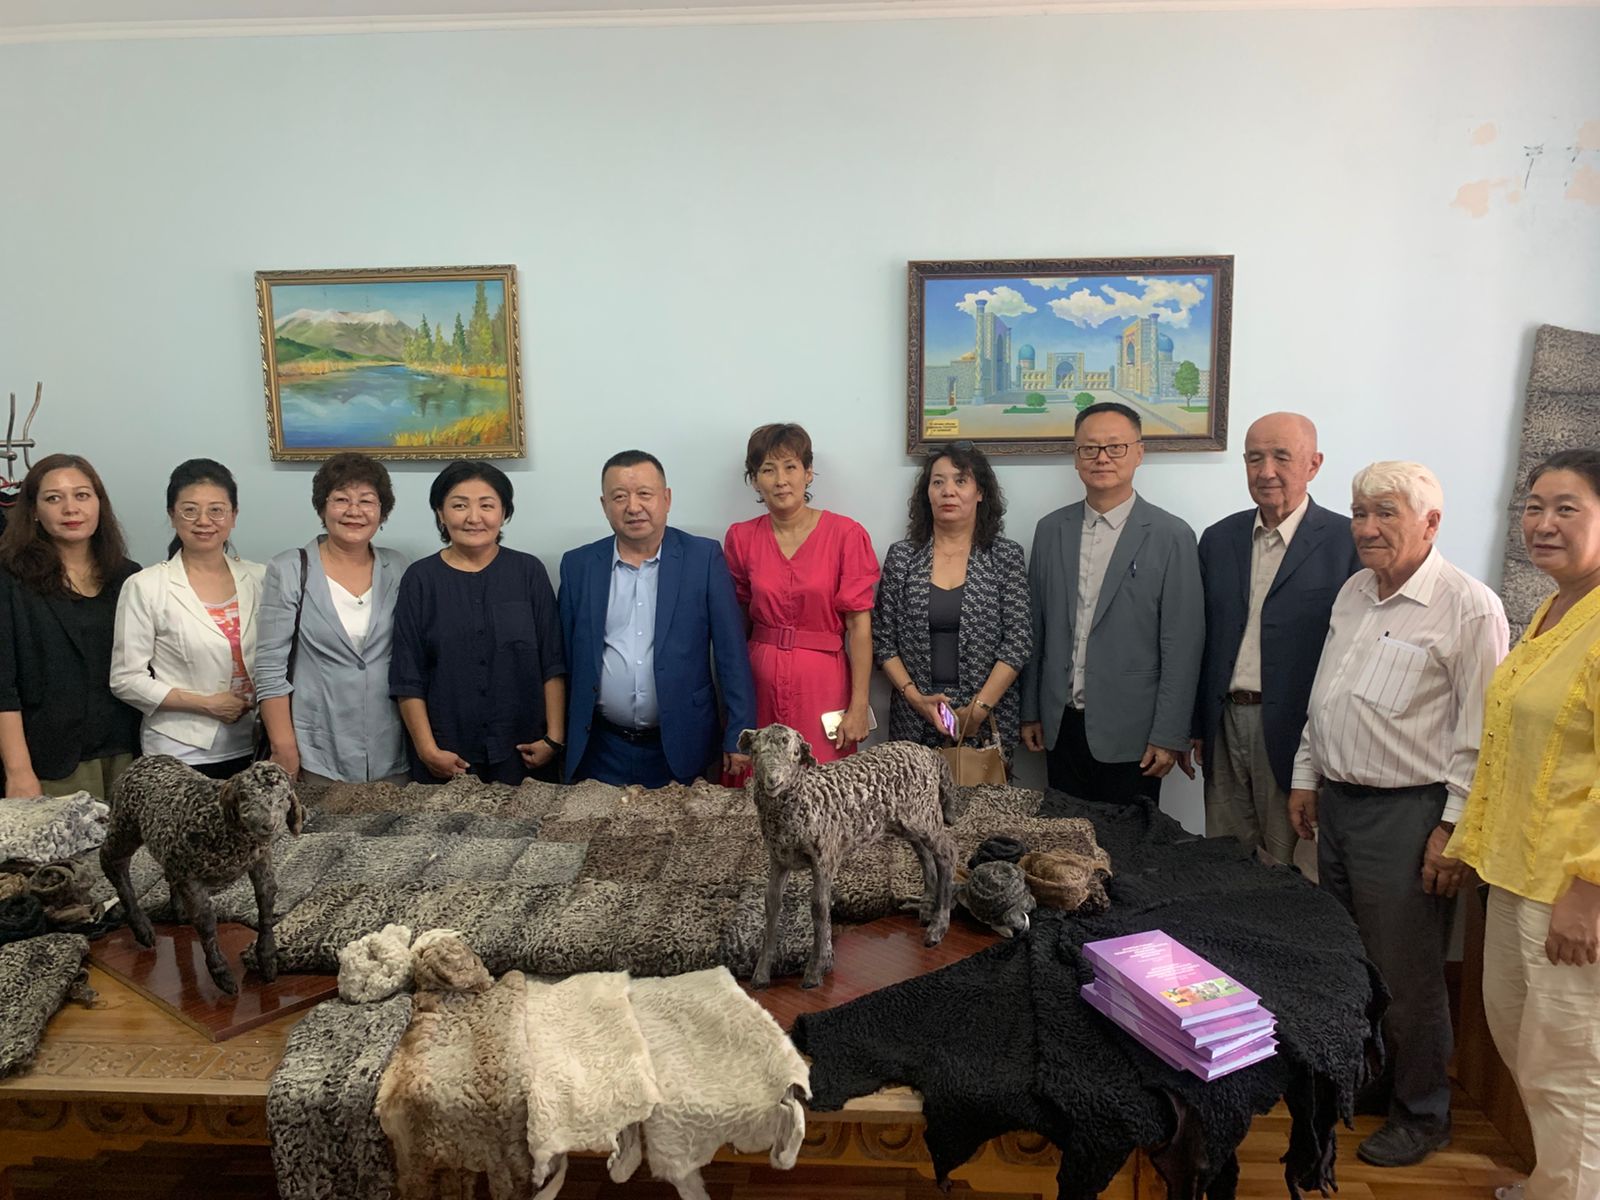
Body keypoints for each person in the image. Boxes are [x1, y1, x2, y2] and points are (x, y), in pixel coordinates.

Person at [1288, 460, 1508, 1169]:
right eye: (1360, 512)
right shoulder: (1354, 591)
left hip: (1411, 816)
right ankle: (1378, 1084)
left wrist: (1452, 830)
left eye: (1385, 512)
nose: (1367, 527)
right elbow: (1327, 696)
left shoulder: (1468, 607)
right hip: (1340, 806)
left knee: (1409, 977)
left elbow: (1483, 735)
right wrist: (1306, 777)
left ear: (1430, 522)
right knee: (1356, 965)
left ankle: (1424, 1113)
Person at [1443, 449, 1600, 1200]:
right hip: (1514, 872)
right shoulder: (1553, 610)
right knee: (1524, 1046)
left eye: (1567, 509)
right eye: (1534, 507)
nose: (1543, 523)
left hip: (1571, 888)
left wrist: (1590, 891)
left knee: (1572, 1066)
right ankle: (1553, 1182)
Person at [1191, 413, 1361, 865]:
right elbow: (1201, 638)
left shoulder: (1347, 543)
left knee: (1289, 864)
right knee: (1224, 859)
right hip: (1224, 724)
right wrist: (1197, 725)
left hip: (1295, 731)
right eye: (1255, 458)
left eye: (1281, 457)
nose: (1266, 471)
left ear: (1314, 464)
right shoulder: (1218, 539)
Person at [1019, 402, 1203, 804]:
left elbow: (1182, 646)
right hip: (1060, 724)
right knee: (1063, 838)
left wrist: (1169, 734)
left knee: (1130, 840)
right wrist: (1031, 710)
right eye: (1090, 448)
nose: (1102, 458)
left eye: (1115, 447)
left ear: (1139, 453)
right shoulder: (1051, 530)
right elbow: (1035, 628)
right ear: (1076, 457)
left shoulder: (1172, 536)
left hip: (1134, 730)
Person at [560, 450, 756, 788]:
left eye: (644, 494)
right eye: (619, 497)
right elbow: (563, 656)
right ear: (604, 505)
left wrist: (739, 733)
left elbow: (731, 654)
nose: (633, 506)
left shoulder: (702, 558)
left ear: (666, 499)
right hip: (601, 747)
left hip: (682, 742)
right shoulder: (579, 565)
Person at [390, 461, 565, 785]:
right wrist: (427, 750)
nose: (473, 517)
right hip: (446, 754)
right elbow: (407, 674)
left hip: (523, 753)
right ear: (440, 514)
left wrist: (553, 739)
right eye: (459, 505)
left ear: (504, 513)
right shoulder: (420, 579)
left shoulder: (528, 572)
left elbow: (552, 662)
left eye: (486, 505)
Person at [723, 423, 878, 763]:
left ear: (808, 473)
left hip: (823, 683)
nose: (781, 480)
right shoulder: (741, 538)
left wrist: (859, 705)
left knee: (822, 779)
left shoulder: (846, 535)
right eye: (768, 470)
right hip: (759, 682)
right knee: (761, 780)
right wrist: (735, 710)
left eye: (790, 467)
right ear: (754, 480)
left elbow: (859, 628)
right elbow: (735, 626)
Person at [256, 453, 409, 785]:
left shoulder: (398, 567)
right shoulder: (289, 569)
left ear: (382, 510)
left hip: (391, 746)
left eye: (366, 501)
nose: (354, 511)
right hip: (317, 748)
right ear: (322, 507)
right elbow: (269, 667)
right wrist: (283, 746)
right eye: (341, 499)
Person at [875, 441, 1032, 756]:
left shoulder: (1005, 556)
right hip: (914, 718)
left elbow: (1018, 640)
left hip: (986, 719)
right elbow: (883, 640)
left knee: (981, 792)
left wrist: (978, 709)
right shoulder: (903, 557)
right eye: (938, 482)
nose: (948, 491)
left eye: (961, 481)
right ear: (927, 494)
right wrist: (916, 699)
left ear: (980, 492)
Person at [111, 459, 265, 780]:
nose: (204, 521)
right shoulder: (146, 586)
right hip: (180, 750)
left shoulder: (261, 578)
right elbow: (125, 679)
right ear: (172, 515)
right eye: (190, 510)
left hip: (254, 743)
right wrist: (205, 704)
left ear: (234, 515)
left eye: (216, 510)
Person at [0, 454, 141, 800]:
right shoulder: (10, 578)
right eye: (53, 498)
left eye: (82, 495)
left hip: (127, 750)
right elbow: (3, 685)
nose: (70, 509)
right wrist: (18, 771)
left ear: (98, 503)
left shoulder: (129, 576)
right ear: (33, 510)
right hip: (49, 761)